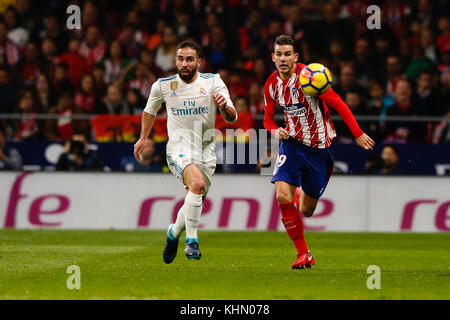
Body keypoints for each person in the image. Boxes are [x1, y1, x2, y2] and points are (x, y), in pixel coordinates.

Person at [263, 35, 374, 270]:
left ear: (295, 57)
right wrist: (275, 130)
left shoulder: (310, 77)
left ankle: (298, 192)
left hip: (319, 150)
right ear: (273, 58)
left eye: (287, 54)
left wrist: (357, 133)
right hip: (292, 145)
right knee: (281, 194)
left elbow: (338, 104)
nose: (283, 59)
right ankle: (303, 254)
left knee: (307, 210)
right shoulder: (271, 85)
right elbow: (267, 119)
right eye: (278, 54)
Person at [134, 40, 237, 263]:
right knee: (197, 185)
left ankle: (173, 233)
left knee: (195, 194)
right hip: (178, 149)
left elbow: (232, 116)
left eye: (190, 59)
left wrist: (223, 107)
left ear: (199, 62)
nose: (184, 63)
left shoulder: (213, 82)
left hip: (206, 152)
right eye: (180, 59)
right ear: (175, 61)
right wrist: (143, 137)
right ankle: (192, 241)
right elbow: (149, 110)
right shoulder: (162, 85)